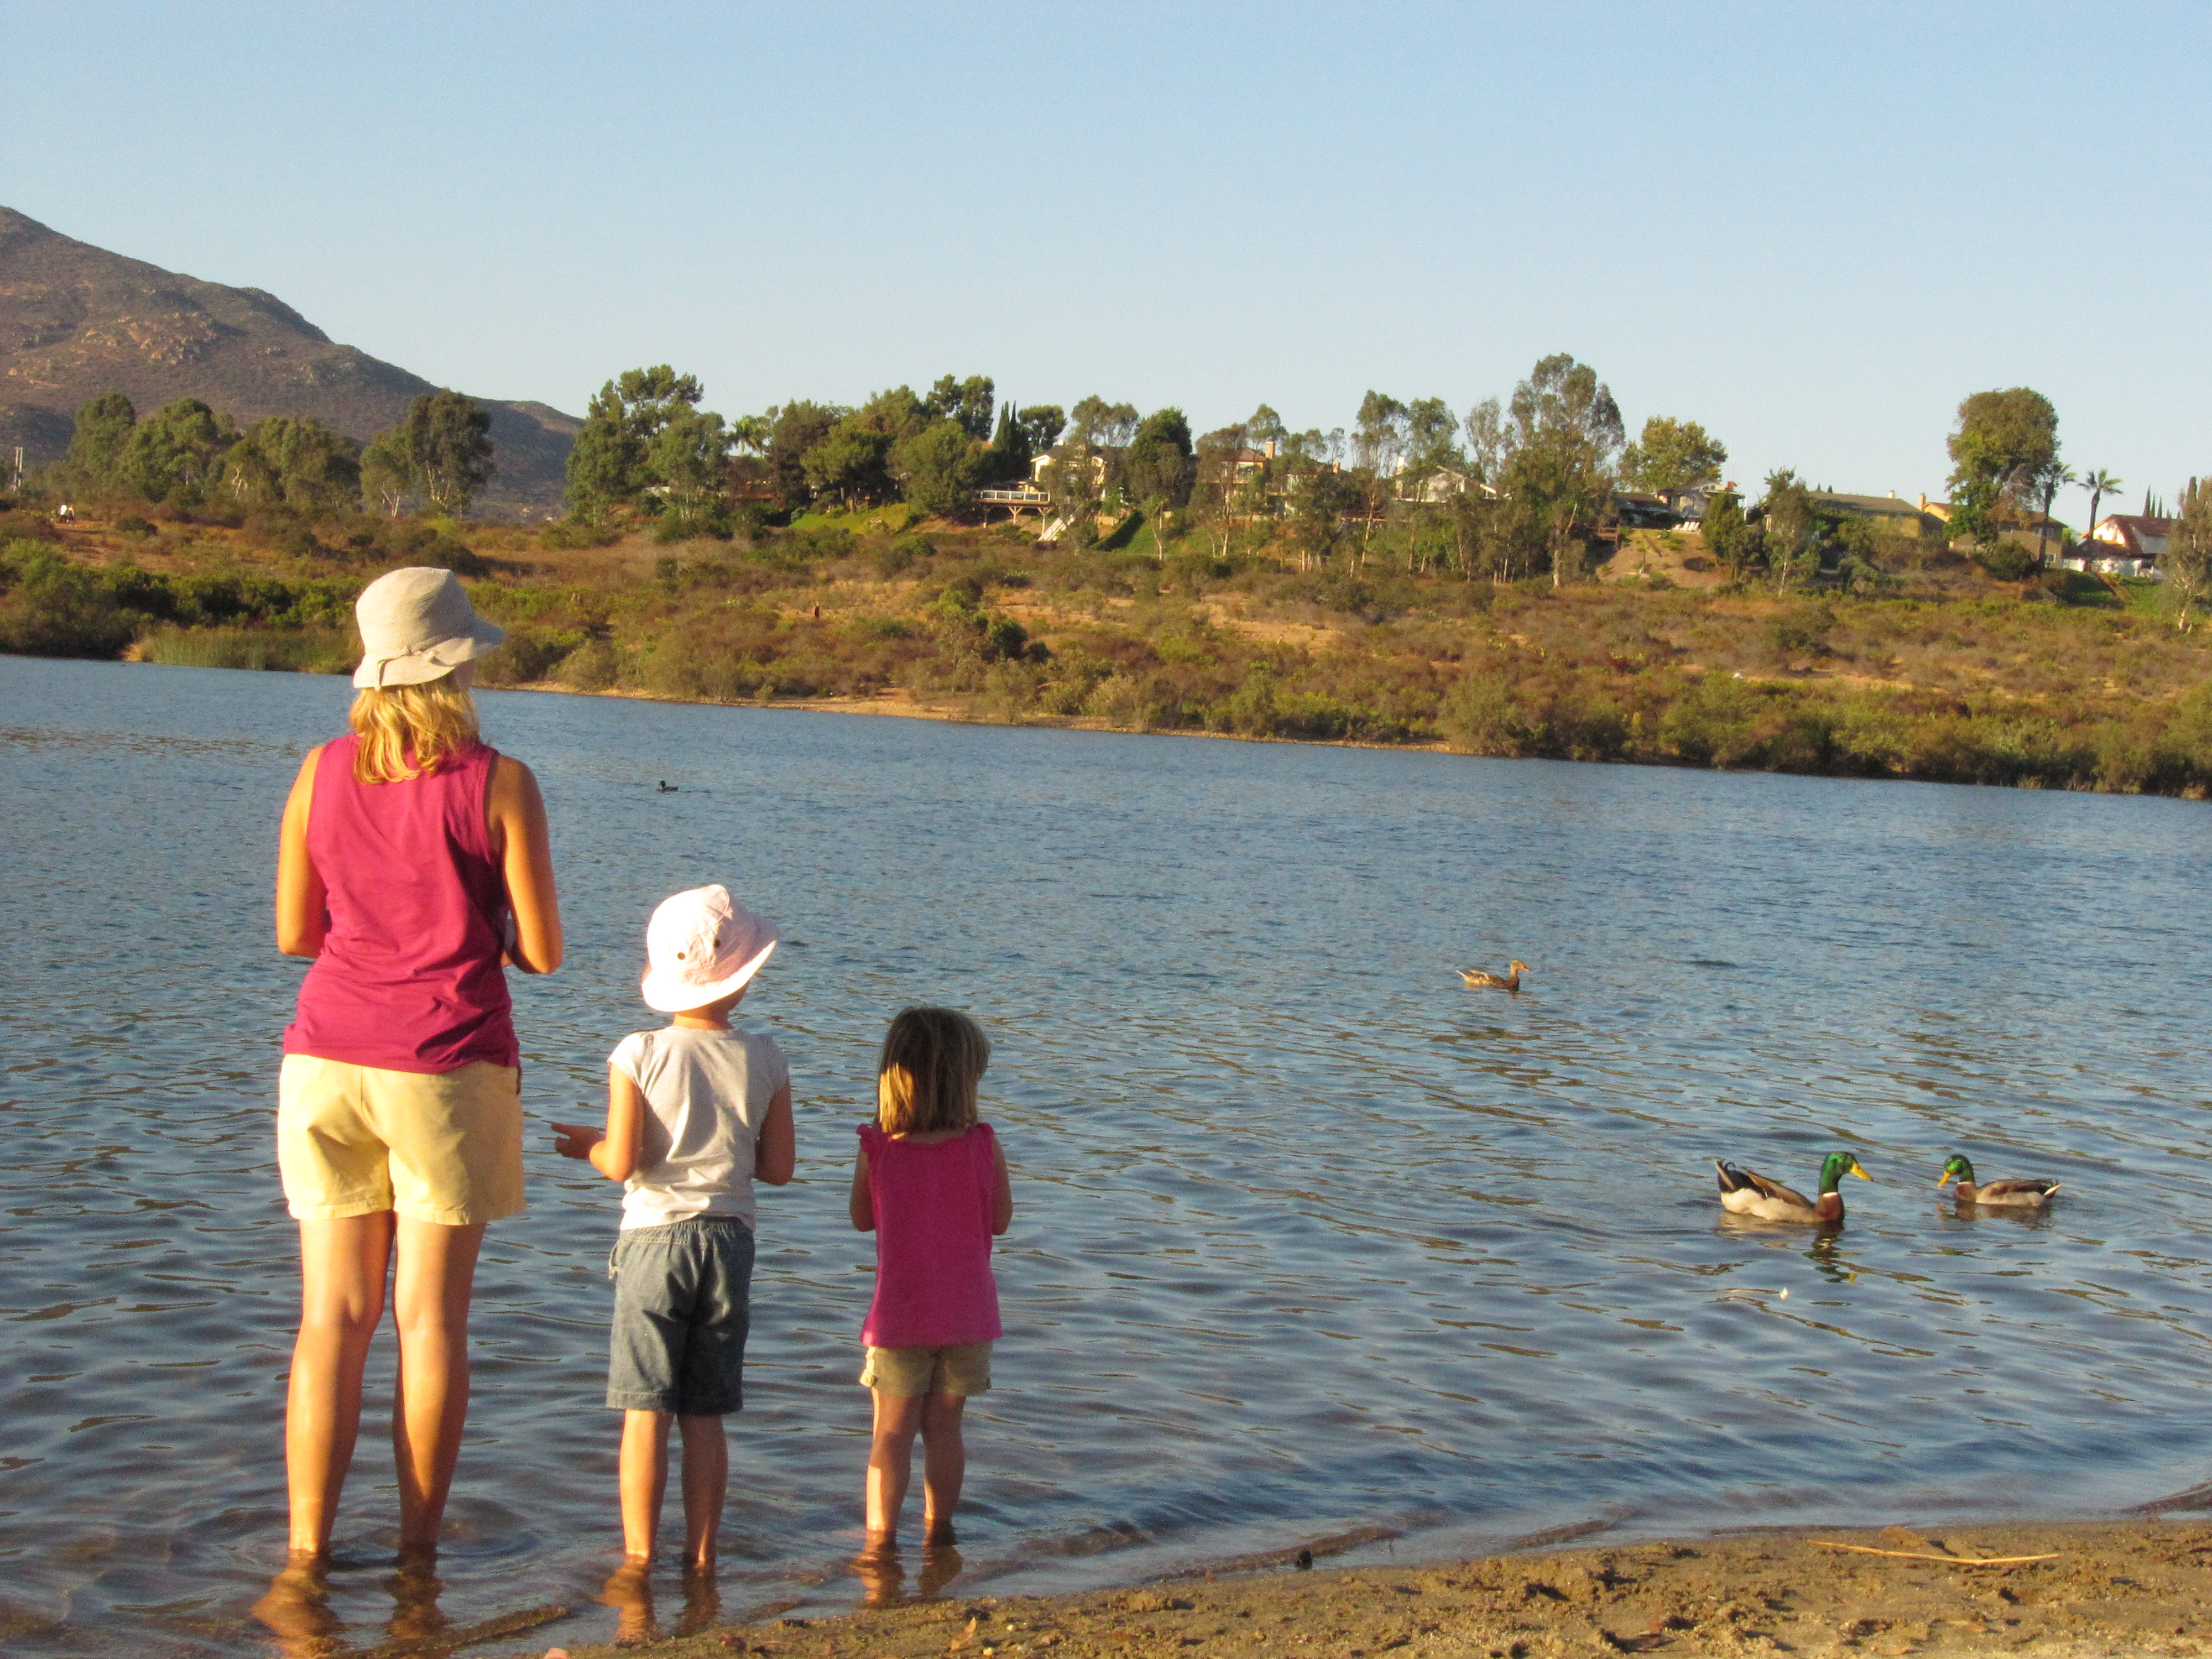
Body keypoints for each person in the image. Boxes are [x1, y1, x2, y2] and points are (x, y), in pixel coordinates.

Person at [272, 565, 562, 1563]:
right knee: (428, 1321)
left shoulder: (319, 771)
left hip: (323, 1060)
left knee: (331, 1320)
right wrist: (473, 930)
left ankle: (304, 1557)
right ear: (458, 665)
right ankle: (417, 1561)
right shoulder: (501, 782)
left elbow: (293, 933)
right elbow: (543, 952)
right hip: (446, 1062)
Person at [551, 885, 795, 1569]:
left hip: (654, 1241)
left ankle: (638, 1561)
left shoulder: (638, 1052)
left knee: (645, 1411)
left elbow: (623, 1162)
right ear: (740, 978)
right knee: (705, 1414)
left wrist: (588, 1147)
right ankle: (702, 1558)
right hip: (730, 1242)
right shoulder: (767, 1057)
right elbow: (778, 1169)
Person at [848, 1008, 1012, 1558]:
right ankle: (940, 1532)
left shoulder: (879, 1147)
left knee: (892, 1433)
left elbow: (860, 1218)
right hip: (968, 1317)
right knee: (945, 1428)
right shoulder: (982, 1145)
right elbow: (1001, 1220)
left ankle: (880, 1543)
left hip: (900, 1317)